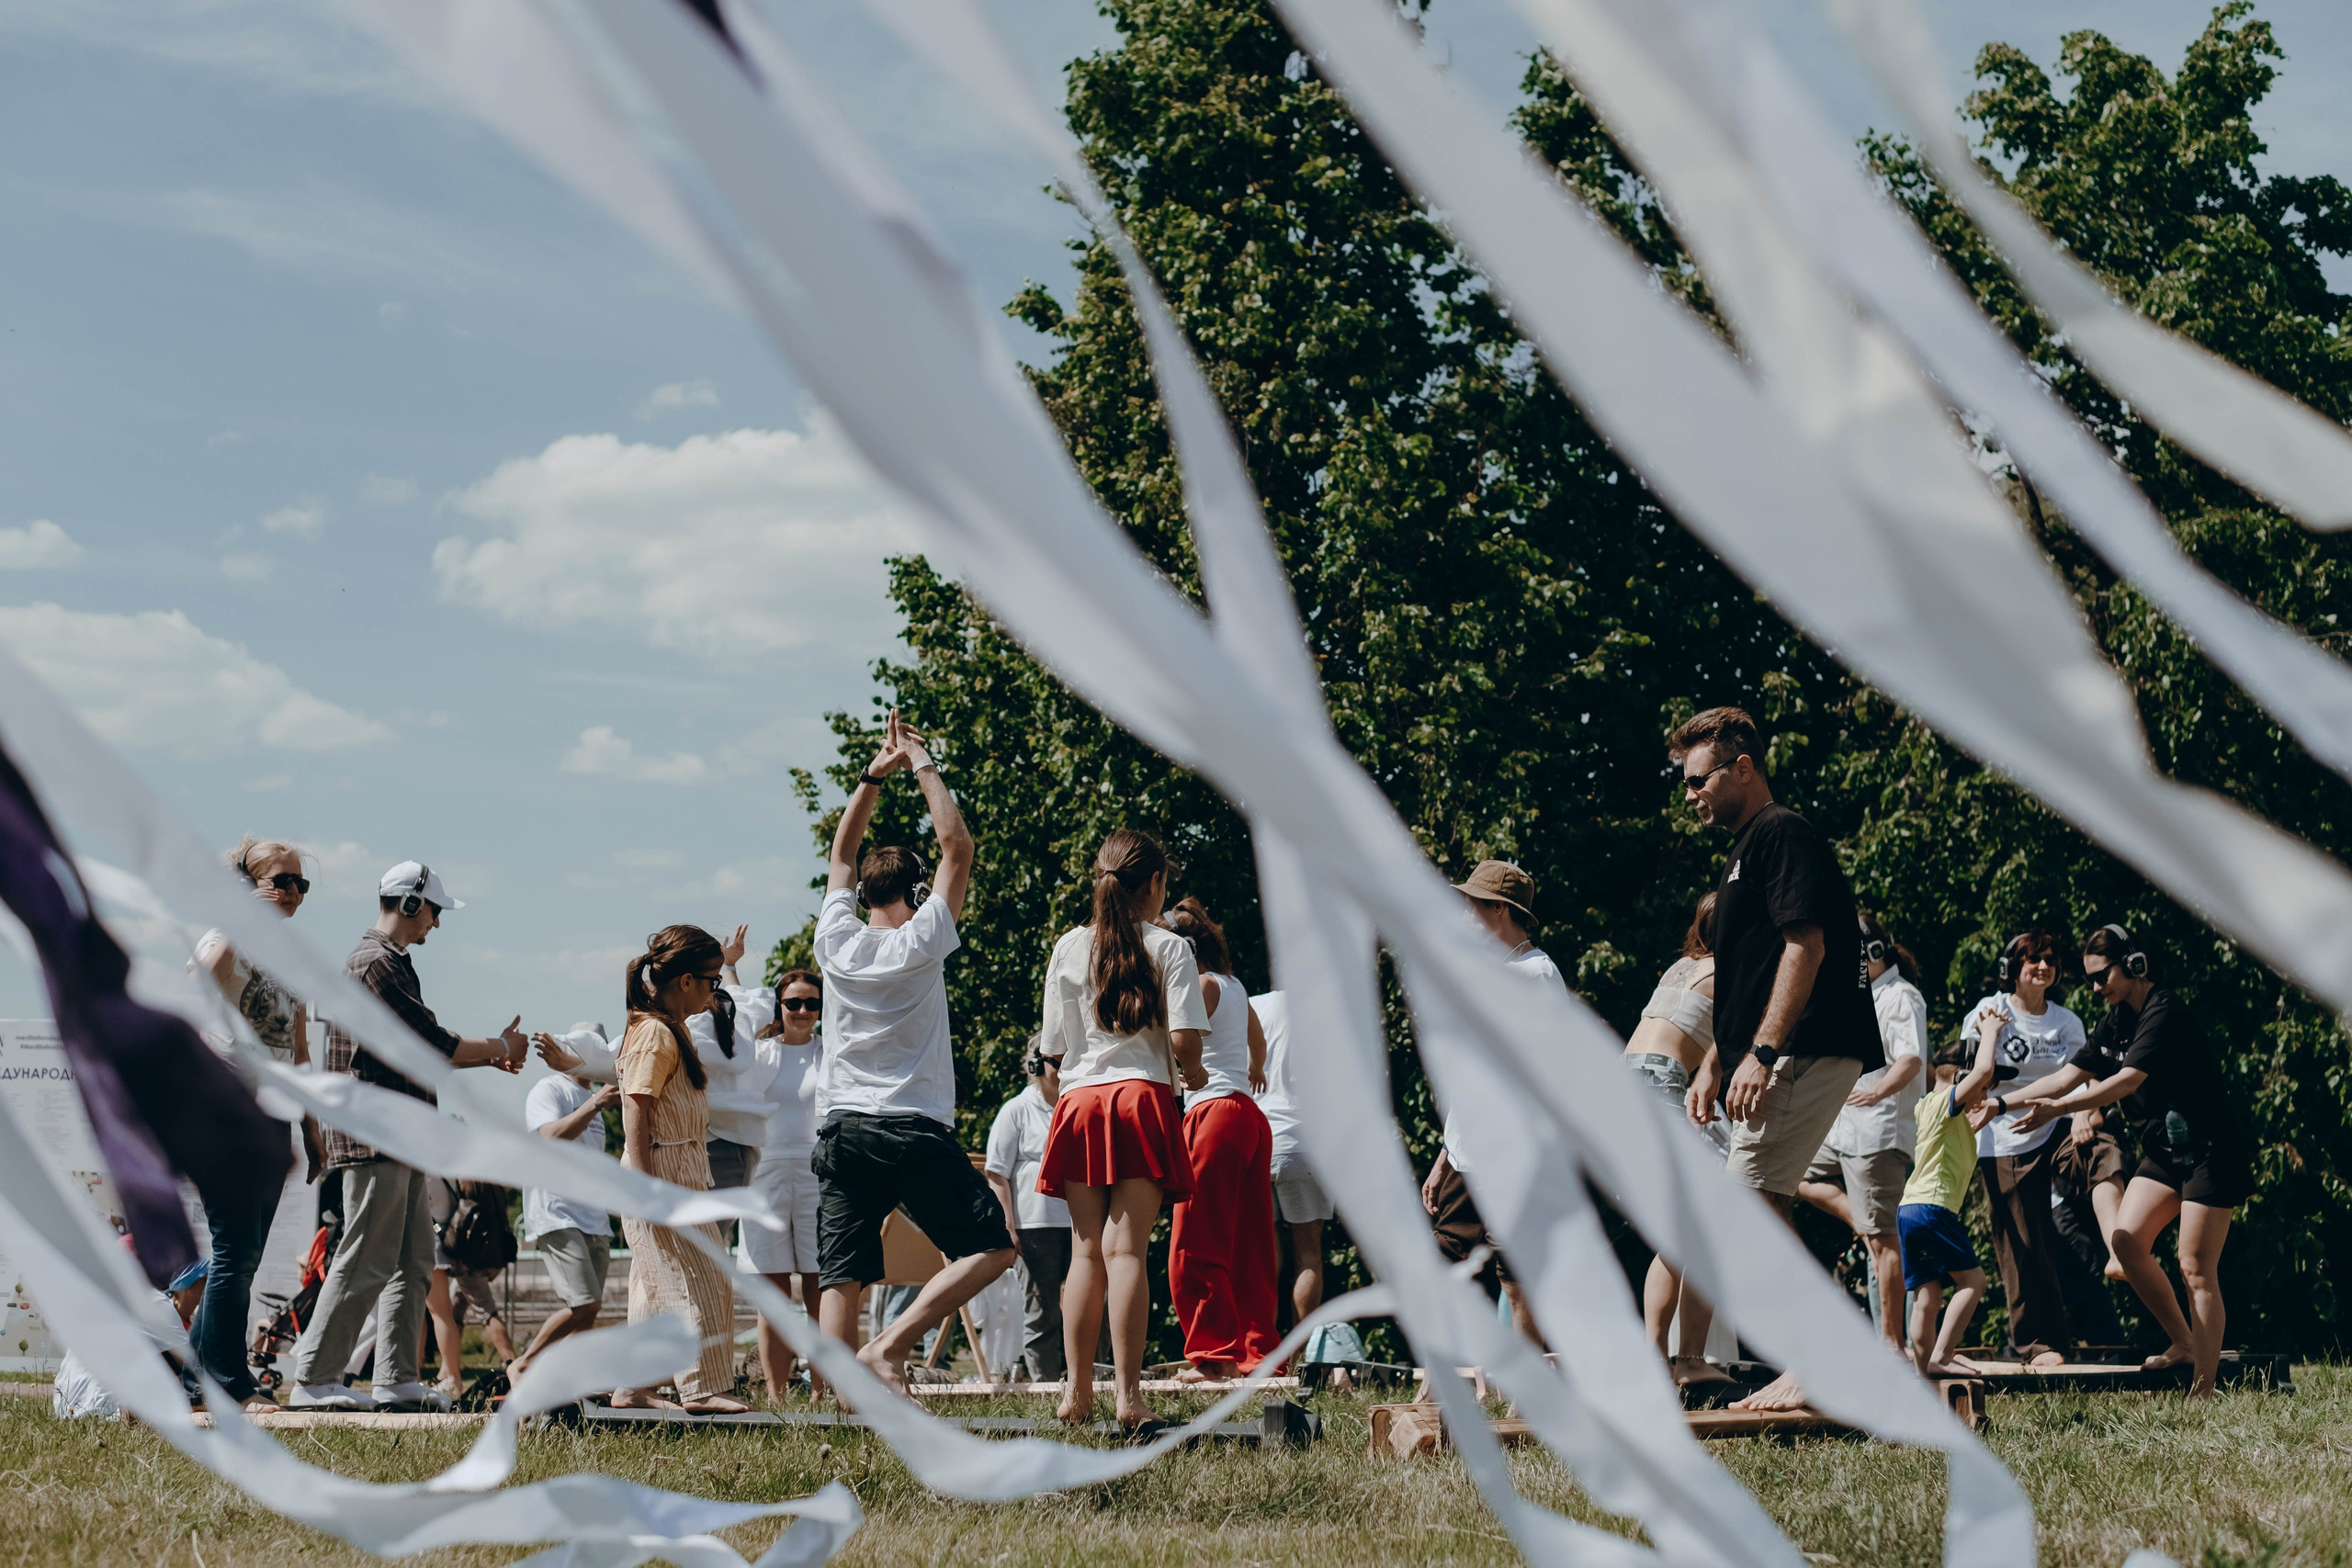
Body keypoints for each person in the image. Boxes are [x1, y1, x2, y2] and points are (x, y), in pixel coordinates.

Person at [1670, 707, 1883, 1413]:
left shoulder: (1781, 834)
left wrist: (1762, 1052)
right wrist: (1714, 1064)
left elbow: (1806, 946)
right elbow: (1746, 973)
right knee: (1759, 1207)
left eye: (1699, 779)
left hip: (1801, 1048)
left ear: (1742, 767)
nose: (1691, 794)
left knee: (1749, 1210)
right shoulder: (1741, 854)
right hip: (1769, 1057)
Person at [809, 710, 1012, 1398]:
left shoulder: (832, 940)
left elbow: (841, 852)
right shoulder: (923, 939)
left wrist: (873, 774)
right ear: (917, 891)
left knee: (843, 1270)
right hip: (912, 1125)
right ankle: (891, 1347)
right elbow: (958, 846)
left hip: (842, 1125)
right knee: (993, 1245)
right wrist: (921, 761)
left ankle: (836, 1402)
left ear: (864, 892)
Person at [288, 862, 526, 1412]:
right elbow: (431, 1042)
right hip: (380, 1135)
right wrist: (497, 1048)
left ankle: (395, 1381)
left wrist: (493, 1055)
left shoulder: (385, 963)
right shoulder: (375, 964)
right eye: (436, 912)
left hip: (400, 1134)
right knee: (365, 1257)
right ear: (412, 903)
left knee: (414, 1260)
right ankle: (315, 1379)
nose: (437, 925)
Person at [1984, 924, 2250, 1395]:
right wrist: (2003, 1105)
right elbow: (2068, 1075)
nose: (2094, 986)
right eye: (2088, 978)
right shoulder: (2115, 1021)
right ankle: (2183, 1343)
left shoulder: (2163, 1010)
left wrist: (2061, 1111)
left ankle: (2204, 1391)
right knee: (2126, 1242)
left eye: (2101, 974)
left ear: (2133, 964)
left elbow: (2125, 1081)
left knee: (2194, 1265)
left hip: (2211, 1152)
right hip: (2167, 1155)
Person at [1038, 827, 1209, 1427]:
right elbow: (1186, 1038)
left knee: (1085, 1252)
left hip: (1081, 1102)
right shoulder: (1170, 949)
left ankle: (1076, 1393)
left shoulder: (1067, 947)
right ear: (1156, 884)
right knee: (1127, 1249)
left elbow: (1052, 1050)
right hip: (1139, 1100)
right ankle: (1128, 1397)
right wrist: (1196, 1071)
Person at [187, 836, 323, 1413]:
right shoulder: (226, 941)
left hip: (272, 1121)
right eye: (281, 881)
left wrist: (313, 1129)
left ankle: (191, 1379)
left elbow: (299, 1054)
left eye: (301, 884)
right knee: (233, 1252)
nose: (294, 892)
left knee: (242, 1256)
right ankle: (228, 1385)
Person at [1420, 860, 1571, 1343]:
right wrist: (1446, 1155)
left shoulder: (1538, 974)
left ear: (1500, 910)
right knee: (1441, 1261)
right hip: (1468, 1152)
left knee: (1516, 1270)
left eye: (1471, 908)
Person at [612, 924, 751, 1413]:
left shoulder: (671, 1028)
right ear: (686, 981)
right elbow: (636, 1107)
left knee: (655, 1281)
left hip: (681, 1169)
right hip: (660, 1169)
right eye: (713, 981)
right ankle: (702, 1386)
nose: (715, 991)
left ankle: (633, 1386)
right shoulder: (654, 1031)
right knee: (699, 1276)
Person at [1796, 913, 1928, 1353]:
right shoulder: (1862, 995)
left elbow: (1911, 1060)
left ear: (1873, 952)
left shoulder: (1901, 996)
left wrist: (1876, 1095)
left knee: (1883, 1242)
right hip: (1843, 1132)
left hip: (1877, 1133)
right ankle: (1865, 1219)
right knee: (1794, 1173)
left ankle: (1891, 1345)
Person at [1955, 931, 2088, 1368]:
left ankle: (2121, 1234)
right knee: (2023, 1244)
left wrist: (2084, 1114)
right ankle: (2036, 1344)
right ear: (2011, 968)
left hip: (2058, 1128)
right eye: (2033, 959)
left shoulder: (2067, 1022)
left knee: (2105, 1157)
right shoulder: (1988, 1012)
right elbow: (1969, 1074)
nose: (2043, 966)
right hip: (2006, 1138)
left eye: (2050, 959)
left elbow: (2085, 1079)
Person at [1163, 897, 1277, 1382]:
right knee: (1250, 1246)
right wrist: (1252, 1069)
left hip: (1210, 1114)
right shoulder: (1235, 985)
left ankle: (1214, 1356)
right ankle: (1259, 1353)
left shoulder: (1202, 984)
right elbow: (1259, 1042)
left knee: (1196, 1241)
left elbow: (1179, 1037)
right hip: (1250, 1119)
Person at [1622, 893, 1730, 1383]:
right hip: (1662, 1082)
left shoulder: (1680, 967)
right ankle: (1686, 1360)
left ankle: (1658, 1359)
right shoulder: (1730, 971)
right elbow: (1736, 1039)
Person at [510, 1025, 619, 1381]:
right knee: (585, 1304)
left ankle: (569, 1385)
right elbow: (549, 1138)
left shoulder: (597, 1108)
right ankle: (523, 1365)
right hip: (557, 1211)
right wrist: (595, 1103)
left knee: (586, 1313)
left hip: (593, 1217)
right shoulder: (549, 1089)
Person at [741, 969, 825, 1402]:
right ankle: (775, 1396)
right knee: (773, 1294)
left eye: (812, 1003)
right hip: (764, 1174)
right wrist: (732, 965)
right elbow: (736, 1011)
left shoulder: (831, 1052)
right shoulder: (759, 1053)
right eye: (794, 1003)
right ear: (780, 1006)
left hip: (818, 1176)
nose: (803, 1011)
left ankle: (821, 1390)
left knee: (819, 1288)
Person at [1899, 1039, 1994, 1378]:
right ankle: (1943, 1354)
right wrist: (1992, 1030)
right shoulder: (1946, 1102)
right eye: (1984, 1087)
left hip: (1910, 1210)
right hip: (1934, 1208)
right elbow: (1981, 1068)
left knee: (1929, 1294)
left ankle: (1923, 1372)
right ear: (1962, 1080)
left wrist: (1990, 1107)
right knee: (1973, 1282)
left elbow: (1955, 1136)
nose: (1984, 1093)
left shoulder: (1929, 1106)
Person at [983, 1036, 1072, 1382]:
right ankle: (1046, 1383)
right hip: (1035, 1225)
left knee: (1096, 1306)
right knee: (1042, 1311)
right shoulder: (1016, 1110)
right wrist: (1008, 1225)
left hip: (1078, 1224)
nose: (1062, 1069)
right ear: (1036, 1065)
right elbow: (997, 1173)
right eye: (1056, 1062)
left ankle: (1096, 1378)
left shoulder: (1075, 1104)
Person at [1251, 990, 1329, 1325]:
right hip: (1303, 1139)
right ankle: (1299, 1363)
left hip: (1257, 1136)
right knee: (1308, 1253)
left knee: (1264, 1256)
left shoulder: (1251, 1004)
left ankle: (1262, 1354)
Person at [695, 924, 779, 1213]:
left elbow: (741, 1006)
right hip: (688, 1144)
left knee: (707, 1245)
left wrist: (728, 966)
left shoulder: (734, 1026)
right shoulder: (674, 1024)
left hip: (724, 1144)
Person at [424, 1178, 518, 1400]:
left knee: (485, 1311)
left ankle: (513, 1366)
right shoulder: (486, 1180)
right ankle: (446, 1371)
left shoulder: (467, 1179)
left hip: (464, 1257)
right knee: (454, 1311)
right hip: (476, 1253)